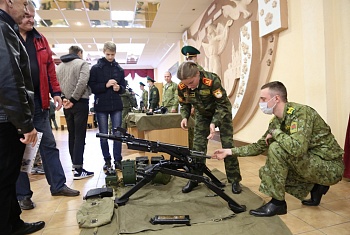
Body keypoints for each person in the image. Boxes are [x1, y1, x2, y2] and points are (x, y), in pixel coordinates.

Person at [212, 81, 344, 217]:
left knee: (276, 148)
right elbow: (259, 146)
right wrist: (229, 151)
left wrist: (276, 133)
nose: (261, 103)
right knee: (267, 173)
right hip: (313, 161)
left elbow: (298, 149)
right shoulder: (277, 121)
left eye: (263, 99)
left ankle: (278, 204)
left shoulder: (301, 114)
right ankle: (316, 187)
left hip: (330, 166)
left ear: (276, 99)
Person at [15, 0, 80, 211]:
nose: (30, 20)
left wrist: (57, 93)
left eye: (33, 16)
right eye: (26, 16)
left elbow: (50, 69)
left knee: (48, 145)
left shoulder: (40, 39)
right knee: (21, 150)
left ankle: (58, 185)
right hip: (16, 103)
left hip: (39, 101)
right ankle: (23, 195)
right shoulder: (7, 36)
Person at [0, 0, 45, 233]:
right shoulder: (2, 27)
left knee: (7, 179)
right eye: (23, 3)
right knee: (5, 179)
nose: (27, 10)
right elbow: (9, 80)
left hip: (7, 116)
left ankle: (13, 224)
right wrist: (26, 124)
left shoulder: (6, 27)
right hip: (6, 119)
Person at [177, 61, 242, 194]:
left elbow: (222, 104)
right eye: (186, 84)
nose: (189, 86)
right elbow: (184, 104)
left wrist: (214, 123)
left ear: (197, 74)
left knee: (227, 145)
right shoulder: (183, 85)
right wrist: (185, 116)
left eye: (191, 82)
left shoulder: (211, 80)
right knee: (198, 146)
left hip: (222, 113)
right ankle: (195, 178)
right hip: (203, 115)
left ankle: (234, 180)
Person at [56, 45, 94, 179]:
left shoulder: (59, 66)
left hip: (67, 104)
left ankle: (74, 166)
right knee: (80, 136)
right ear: (80, 53)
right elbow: (82, 82)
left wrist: (64, 99)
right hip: (79, 103)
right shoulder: (82, 63)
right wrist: (73, 99)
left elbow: (56, 84)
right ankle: (79, 169)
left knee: (71, 135)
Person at [88, 41, 126, 171]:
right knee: (103, 135)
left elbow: (124, 88)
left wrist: (119, 88)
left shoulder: (119, 69)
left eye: (113, 54)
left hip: (116, 105)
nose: (110, 57)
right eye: (108, 54)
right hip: (101, 106)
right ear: (104, 52)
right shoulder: (95, 68)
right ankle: (107, 160)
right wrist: (106, 85)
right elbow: (92, 87)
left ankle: (118, 160)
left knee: (117, 135)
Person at [181, 45, 202, 149]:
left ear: (196, 58)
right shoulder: (185, 72)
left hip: (201, 110)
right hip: (191, 111)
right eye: (188, 59)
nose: (189, 60)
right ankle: (192, 157)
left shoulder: (201, 72)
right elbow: (185, 91)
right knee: (191, 136)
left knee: (199, 139)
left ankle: (198, 160)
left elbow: (203, 91)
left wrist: (195, 105)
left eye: (191, 58)